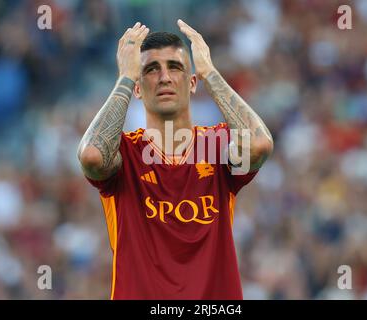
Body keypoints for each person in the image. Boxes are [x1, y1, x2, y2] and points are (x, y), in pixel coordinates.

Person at [77, 19, 273, 299]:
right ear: (138, 87)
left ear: (192, 83)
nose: (165, 78)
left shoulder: (213, 146)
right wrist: (124, 77)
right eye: (151, 70)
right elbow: (92, 156)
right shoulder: (128, 153)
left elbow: (260, 145)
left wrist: (211, 74)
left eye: (175, 67)